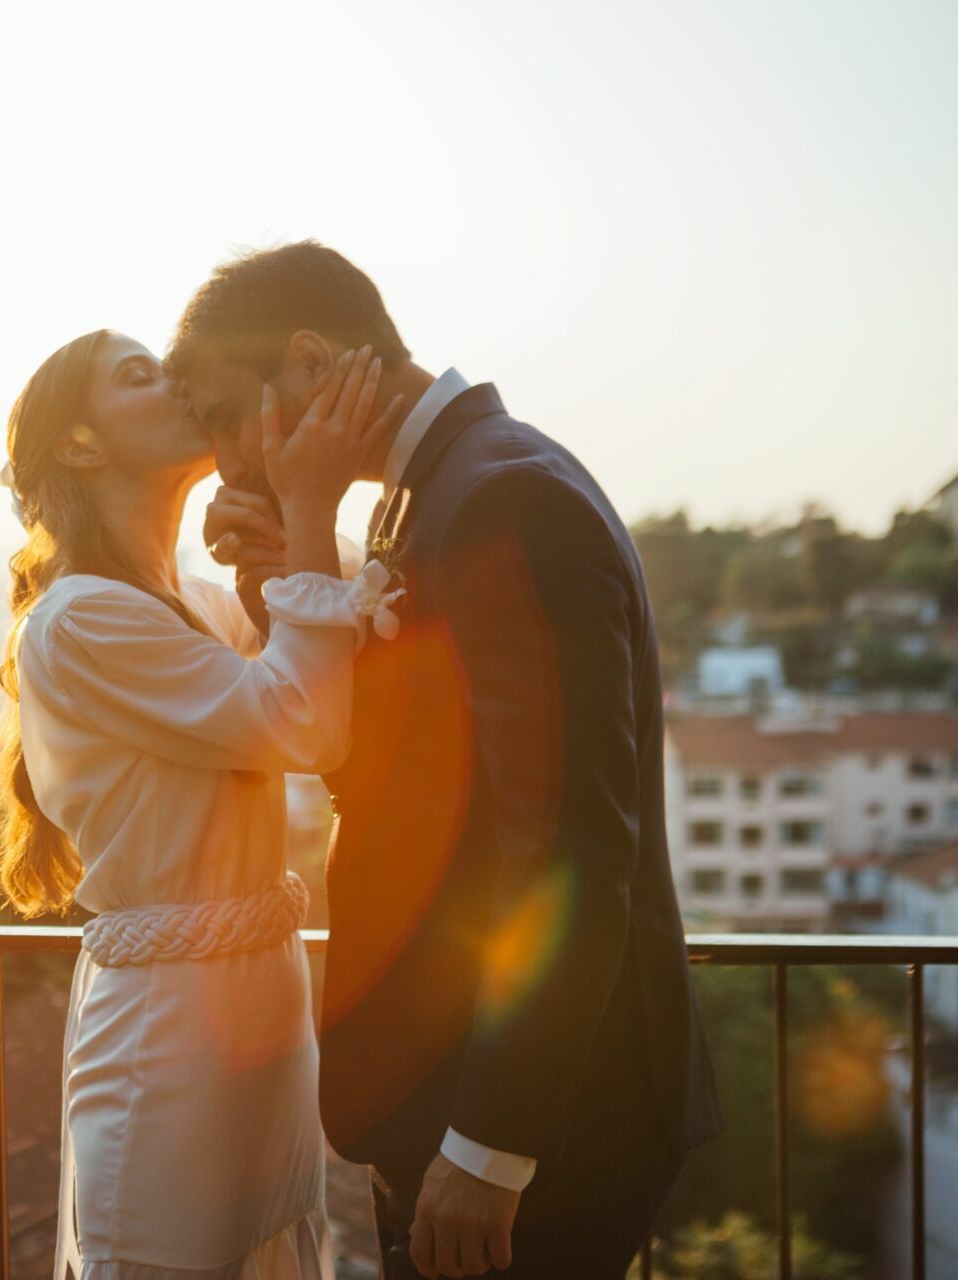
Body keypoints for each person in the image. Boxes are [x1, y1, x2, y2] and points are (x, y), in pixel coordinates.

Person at [170, 241, 722, 1279]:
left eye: (226, 417)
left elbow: (569, 847)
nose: (229, 464)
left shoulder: (506, 496)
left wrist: (491, 1146)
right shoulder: (428, 496)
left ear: (311, 358)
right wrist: (280, 574)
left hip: (541, 1127)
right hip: (452, 1093)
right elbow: (388, 780)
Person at [0, 328, 404, 1279]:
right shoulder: (81, 618)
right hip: (168, 1038)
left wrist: (278, 524)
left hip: (259, 1011)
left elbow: (356, 618)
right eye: (141, 377)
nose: (176, 385)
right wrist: (309, 499)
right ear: (81, 444)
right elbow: (303, 723)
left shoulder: (201, 604)